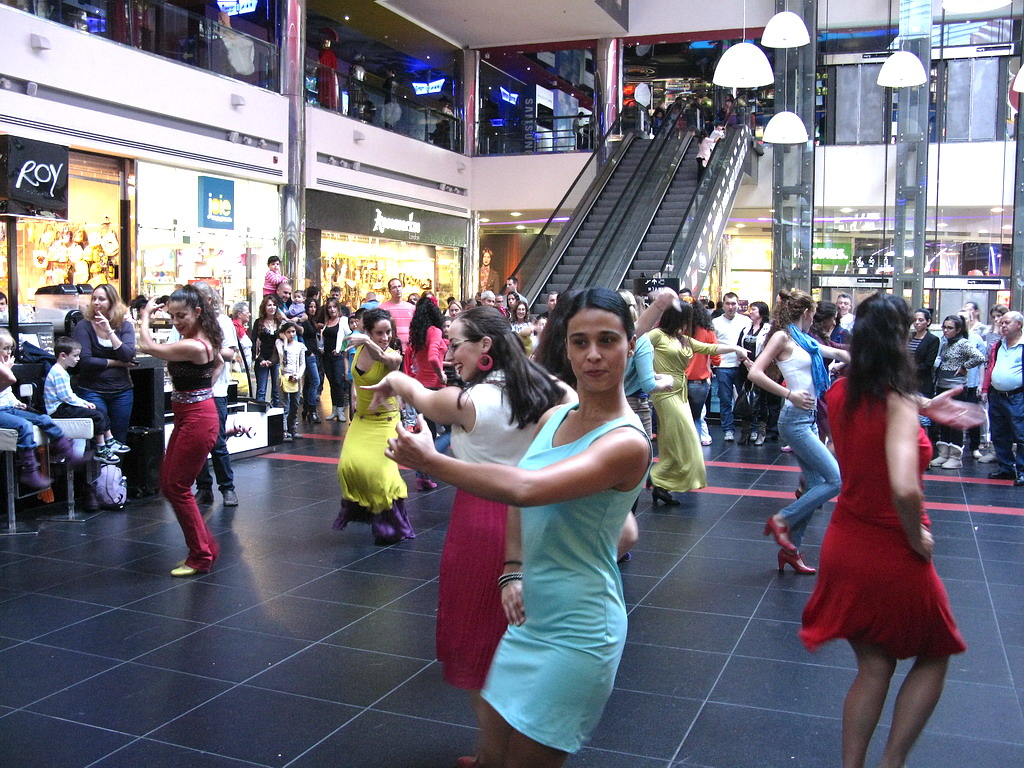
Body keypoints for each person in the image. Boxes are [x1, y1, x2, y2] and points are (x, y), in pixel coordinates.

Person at [385, 288, 651, 768]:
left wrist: (432, 462)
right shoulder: (554, 415)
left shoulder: (627, 441)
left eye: (607, 340)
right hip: (531, 621)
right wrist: (512, 568)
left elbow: (527, 488)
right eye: (579, 342)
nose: (592, 355)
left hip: (581, 628)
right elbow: (518, 501)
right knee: (500, 750)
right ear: (565, 349)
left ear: (630, 346)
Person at [365, 305, 568, 765]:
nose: (449, 353)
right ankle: (507, 749)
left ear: (485, 347)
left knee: (478, 645)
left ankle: (494, 753)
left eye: (455, 344)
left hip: (482, 523)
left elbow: (418, 392)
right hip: (536, 515)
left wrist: (393, 381)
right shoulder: (550, 388)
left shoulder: (470, 402)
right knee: (517, 640)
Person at [800, 293, 967, 768]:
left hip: (846, 541)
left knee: (873, 666)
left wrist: (921, 407)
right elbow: (903, 485)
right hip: (891, 546)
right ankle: (892, 763)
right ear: (899, 340)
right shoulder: (896, 403)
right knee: (936, 652)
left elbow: (873, 413)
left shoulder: (839, 392)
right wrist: (917, 537)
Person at [746, 289, 850, 574]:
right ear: (806, 313)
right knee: (836, 480)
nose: (815, 319)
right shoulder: (782, 337)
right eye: (814, 314)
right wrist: (789, 394)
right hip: (794, 418)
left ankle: (790, 551)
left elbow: (835, 351)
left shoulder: (805, 341)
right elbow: (755, 372)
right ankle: (783, 519)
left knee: (817, 486)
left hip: (809, 418)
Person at [137, 286, 224, 577]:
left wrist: (145, 316)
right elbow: (220, 363)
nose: (176, 322)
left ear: (197, 312)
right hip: (193, 415)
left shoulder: (195, 345)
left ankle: (201, 555)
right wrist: (203, 393)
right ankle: (205, 547)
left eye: (181, 316)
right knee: (170, 483)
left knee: (176, 486)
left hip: (198, 419)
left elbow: (148, 347)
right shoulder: (199, 339)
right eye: (172, 316)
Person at [646, 293, 748, 504]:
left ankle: (662, 484)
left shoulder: (682, 338)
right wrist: (649, 374)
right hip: (665, 394)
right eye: (686, 318)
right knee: (688, 439)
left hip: (680, 392)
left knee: (674, 440)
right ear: (677, 318)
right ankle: (658, 478)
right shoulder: (657, 335)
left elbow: (710, 348)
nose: (689, 322)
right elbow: (636, 348)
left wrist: (735, 348)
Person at [333, 307, 413, 545]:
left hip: (386, 423)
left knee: (381, 475)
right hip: (362, 421)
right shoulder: (357, 350)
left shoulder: (394, 355)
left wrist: (369, 341)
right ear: (367, 331)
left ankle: (392, 526)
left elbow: (384, 358)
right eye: (379, 333)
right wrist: (354, 394)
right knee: (347, 467)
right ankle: (365, 510)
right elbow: (356, 378)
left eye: (388, 332)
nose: (385, 337)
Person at [0, 329, 75, 491]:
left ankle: (68, 452)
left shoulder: (5, 366)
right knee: (24, 425)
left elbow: (7, 393)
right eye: (4, 348)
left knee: (44, 419)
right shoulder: (4, 367)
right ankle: (30, 470)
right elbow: (8, 382)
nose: (8, 352)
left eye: (10, 348)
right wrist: (7, 371)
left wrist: (15, 402)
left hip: (7, 408)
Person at [44, 336, 127, 466]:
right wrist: (83, 403)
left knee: (98, 409)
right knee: (97, 415)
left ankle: (109, 440)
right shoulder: (58, 373)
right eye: (75, 356)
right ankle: (101, 447)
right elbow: (65, 397)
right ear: (63, 355)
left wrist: (83, 403)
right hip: (57, 409)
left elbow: (68, 395)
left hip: (63, 405)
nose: (78, 359)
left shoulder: (61, 372)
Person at [191, 283, 238, 508]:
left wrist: (209, 350)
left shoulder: (223, 322)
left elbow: (230, 352)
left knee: (217, 442)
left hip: (216, 391)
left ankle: (227, 488)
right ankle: (203, 488)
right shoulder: (188, 320)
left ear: (209, 300)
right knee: (197, 443)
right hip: (192, 389)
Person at [73, 283, 136, 443]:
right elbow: (86, 361)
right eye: (94, 298)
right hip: (92, 390)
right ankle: (100, 469)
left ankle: (116, 469)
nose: (96, 302)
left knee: (119, 437)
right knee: (99, 438)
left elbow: (127, 355)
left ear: (112, 303)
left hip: (121, 391)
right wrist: (118, 364)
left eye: (101, 299)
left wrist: (109, 331)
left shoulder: (125, 326)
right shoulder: (84, 326)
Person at [929, 315, 985, 470]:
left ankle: (955, 456)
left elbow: (980, 357)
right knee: (943, 421)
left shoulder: (963, 343)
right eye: (944, 327)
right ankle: (944, 453)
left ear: (958, 329)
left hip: (956, 387)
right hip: (942, 384)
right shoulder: (946, 343)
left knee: (955, 420)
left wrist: (964, 366)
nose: (946, 330)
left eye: (949, 328)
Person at [403, 296, 447, 490]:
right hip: (435, 386)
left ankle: (422, 475)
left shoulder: (419, 332)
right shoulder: (435, 331)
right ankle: (429, 462)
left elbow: (418, 357)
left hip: (421, 386)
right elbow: (432, 357)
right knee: (454, 430)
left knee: (427, 431)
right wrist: (442, 374)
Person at [981, 311, 1024, 485]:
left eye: (1007, 323)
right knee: (999, 434)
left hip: (1017, 396)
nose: (1003, 326)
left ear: (1019, 325)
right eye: (1002, 323)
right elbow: (991, 367)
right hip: (996, 395)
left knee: (1021, 435)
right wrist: (985, 388)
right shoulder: (998, 345)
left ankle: (1022, 470)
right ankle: (1006, 467)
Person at [711, 292, 752, 441]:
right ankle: (728, 429)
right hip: (723, 366)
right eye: (728, 303)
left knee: (746, 399)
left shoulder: (746, 321)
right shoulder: (715, 322)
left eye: (733, 303)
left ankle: (749, 429)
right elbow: (712, 345)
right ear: (723, 304)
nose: (730, 307)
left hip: (742, 365)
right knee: (725, 399)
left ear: (738, 304)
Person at [685, 298, 721, 446]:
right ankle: (695, 452)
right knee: (696, 418)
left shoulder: (679, 332)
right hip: (699, 383)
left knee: (680, 420)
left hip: (678, 382)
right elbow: (717, 358)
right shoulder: (707, 331)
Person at [250, 295, 283, 407]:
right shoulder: (258, 322)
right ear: (264, 307)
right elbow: (253, 342)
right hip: (262, 359)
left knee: (277, 391)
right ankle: (260, 417)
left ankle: (277, 420)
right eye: (269, 305)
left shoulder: (279, 322)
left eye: (274, 305)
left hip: (276, 360)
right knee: (261, 391)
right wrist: (260, 359)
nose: (272, 307)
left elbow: (284, 341)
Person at [319, 298, 349, 421]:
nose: (332, 310)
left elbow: (349, 335)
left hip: (338, 356)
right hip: (326, 356)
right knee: (331, 383)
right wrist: (320, 347)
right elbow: (323, 337)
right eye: (329, 307)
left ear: (338, 308)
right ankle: (334, 409)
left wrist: (341, 349)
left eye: (334, 307)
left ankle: (341, 409)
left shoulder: (343, 321)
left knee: (338, 381)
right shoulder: (327, 322)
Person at [277, 321, 306, 441]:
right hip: (284, 376)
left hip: (295, 377)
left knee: (295, 404)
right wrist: (284, 341)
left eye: (293, 331)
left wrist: (298, 375)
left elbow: (302, 363)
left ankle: (292, 427)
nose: (291, 334)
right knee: (284, 404)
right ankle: (283, 430)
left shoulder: (299, 346)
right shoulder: (280, 343)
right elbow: (282, 357)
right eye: (288, 332)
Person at [300, 295, 323, 424]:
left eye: (314, 307)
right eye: (310, 306)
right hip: (309, 354)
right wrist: (308, 352)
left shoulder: (312, 320)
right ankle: (312, 411)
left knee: (309, 382)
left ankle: (306, 410)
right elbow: (300, 336)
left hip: (314, 353)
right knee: (315, 380)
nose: (312, 309)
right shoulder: (304, 319)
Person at [909, 308, 939, 399]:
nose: (917, 323)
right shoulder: (909, 336)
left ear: (928, 321)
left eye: (921, 320)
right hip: (906, 380)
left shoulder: (932, 339)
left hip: (922, 381)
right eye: (915, 320)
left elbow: (928, 364)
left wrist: (909, 368)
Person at [381, 277, 415, 348]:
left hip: (410, 348)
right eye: (394, 287)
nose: (398, 289)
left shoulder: (411, 307)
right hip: (391, 347)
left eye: (399, 286)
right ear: (390, 291)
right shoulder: (383, 308)